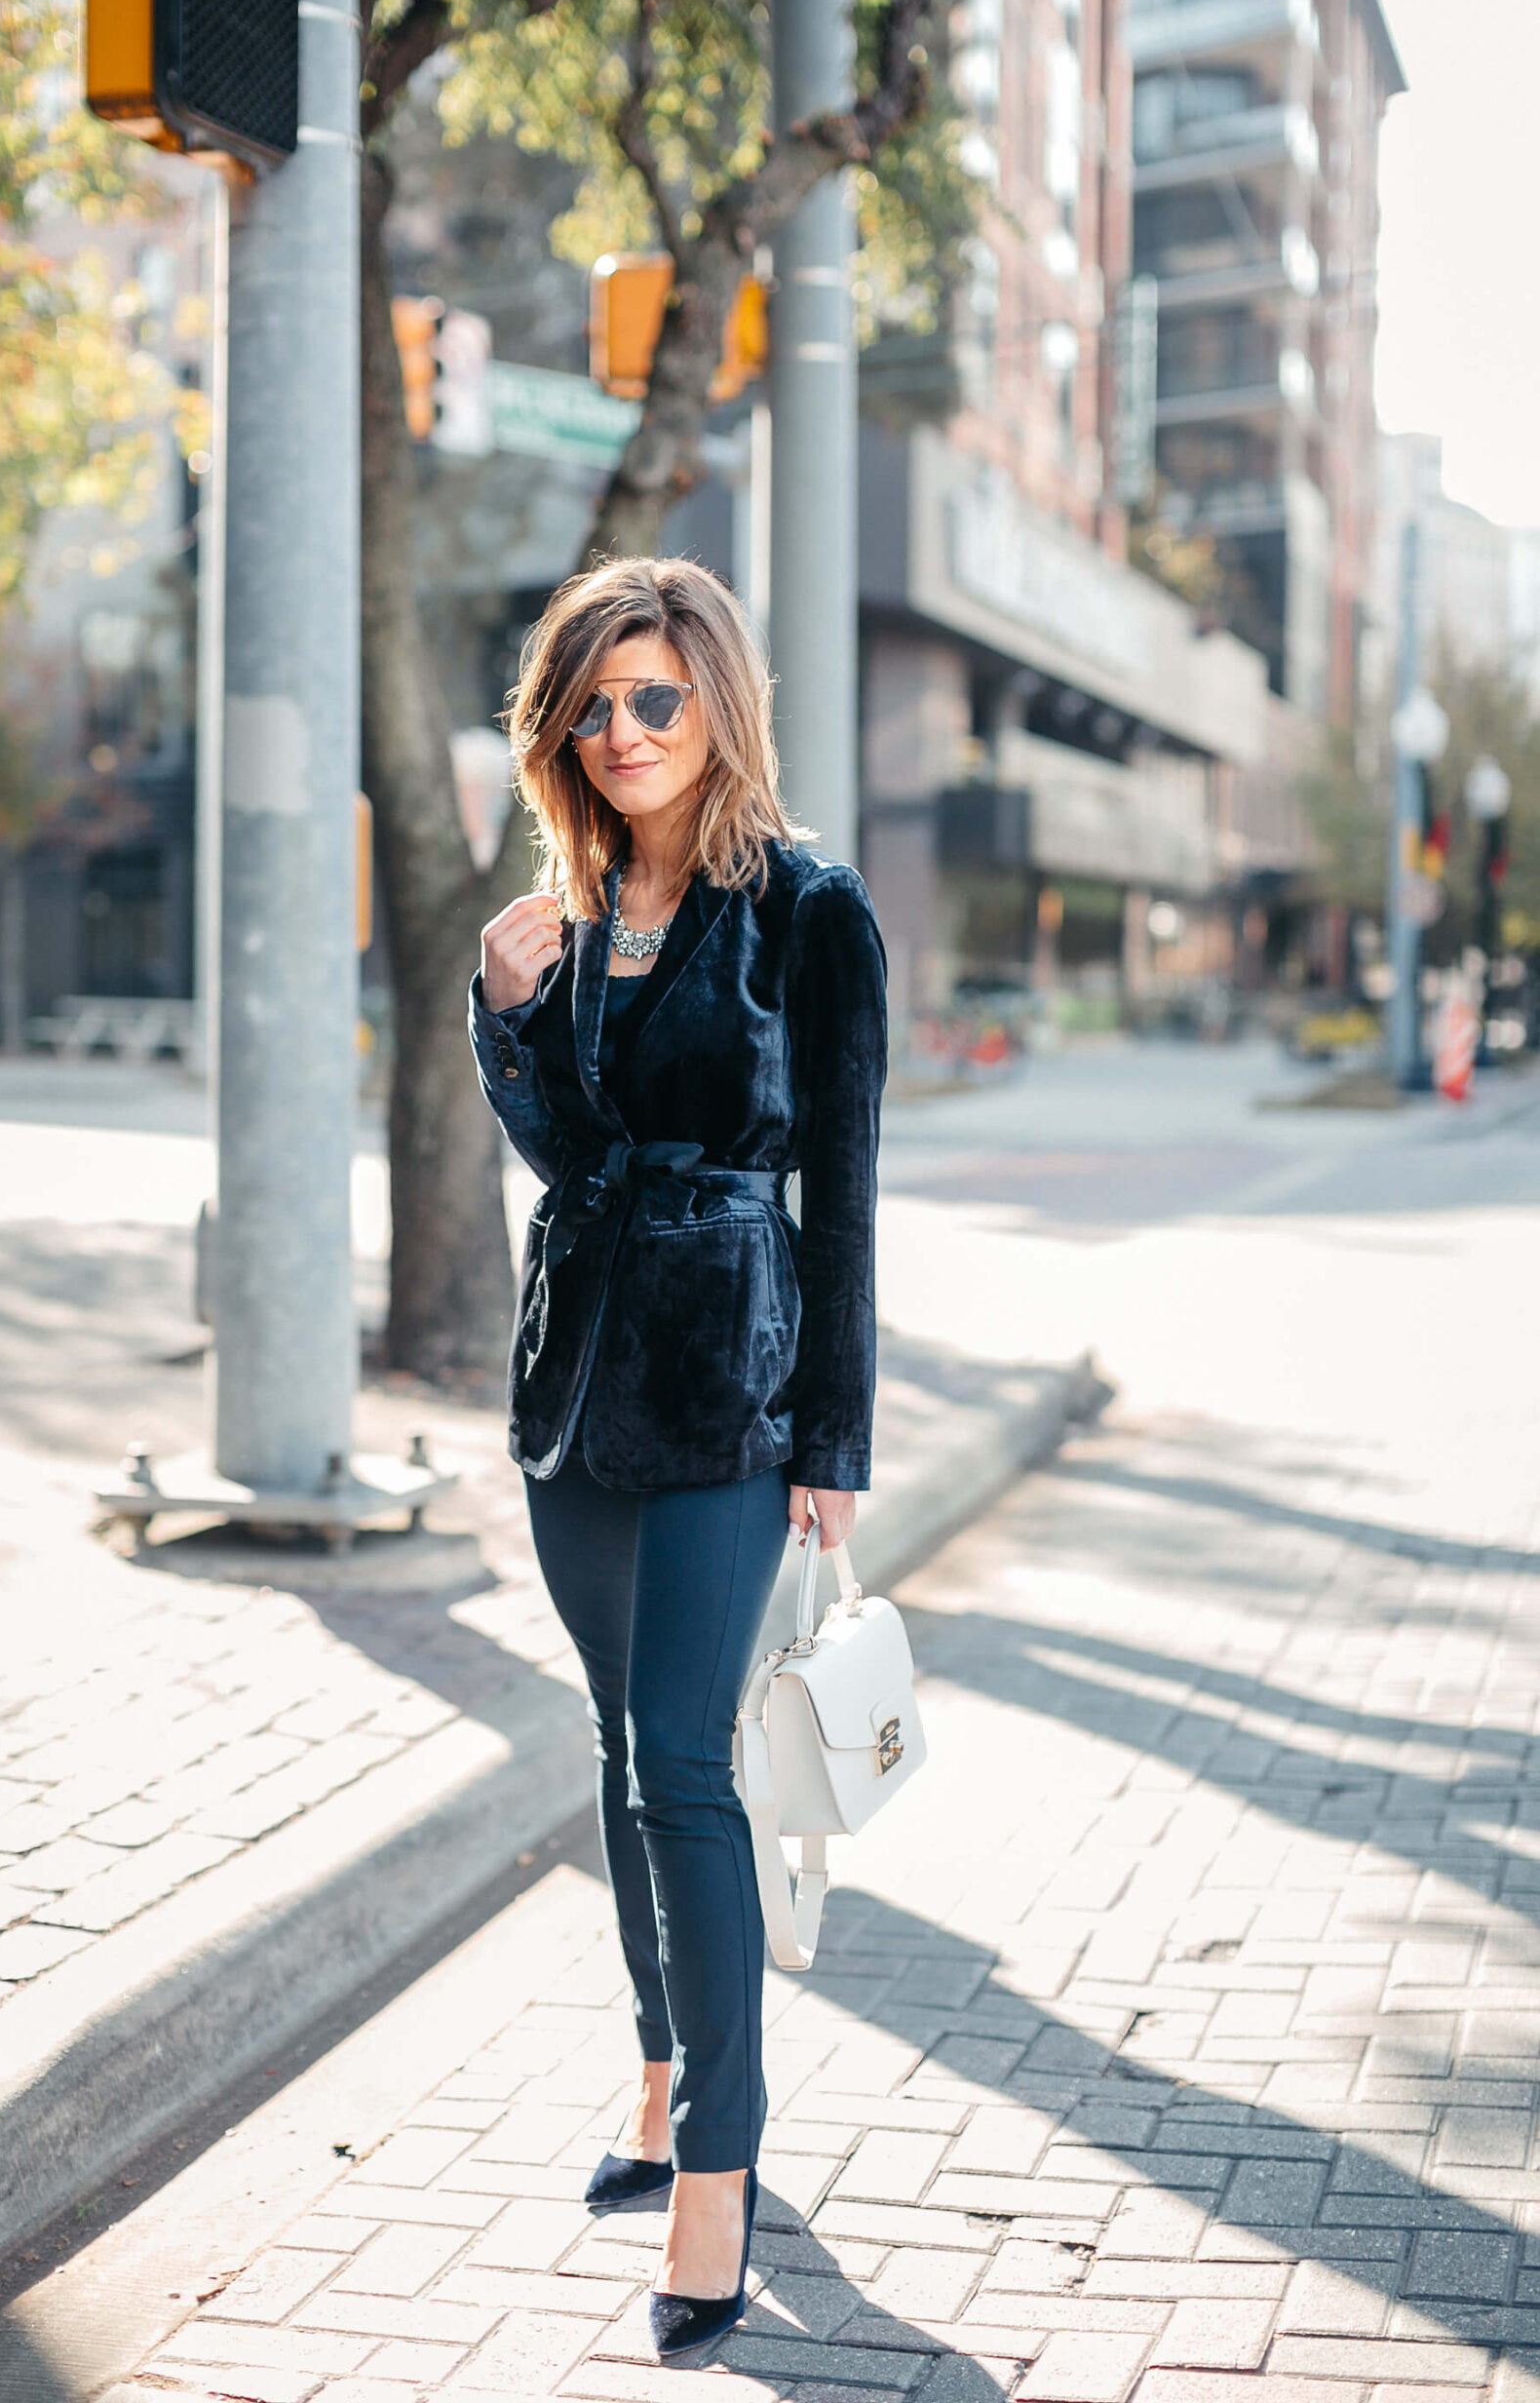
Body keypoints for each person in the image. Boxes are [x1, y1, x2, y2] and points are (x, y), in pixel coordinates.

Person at [469, 555, 886, 2360]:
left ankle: (720, 2163)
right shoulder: (565, 912)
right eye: (594, 704)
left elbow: (845, 1196)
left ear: (715, 697)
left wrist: (835, 1440)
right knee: (615, 1750)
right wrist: (506, 1012)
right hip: (575, 1395)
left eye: (656, 695)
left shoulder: (808, 910)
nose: (624, 730)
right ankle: (656, 2074)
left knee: (686, 1774)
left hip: (730, 1392)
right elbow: (569, 1155)